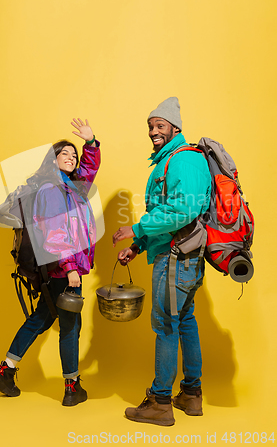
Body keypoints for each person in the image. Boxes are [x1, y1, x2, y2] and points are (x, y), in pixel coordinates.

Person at [0, 118, 100, 407]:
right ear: (53, 160)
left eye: (74, 156)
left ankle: (5, 371)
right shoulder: (52, 190)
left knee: (42, 318)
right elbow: (56, 233)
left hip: (61, 267)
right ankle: (71, 388)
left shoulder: (71, 188)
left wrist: (91, 144)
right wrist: (71, 267)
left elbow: (88, 171)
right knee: (70, 325)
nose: (72, 158)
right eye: (65, 154)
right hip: (63, 267)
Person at [112, 97, 211, 426]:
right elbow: (166, 215)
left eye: (160, 126)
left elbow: (183, 211)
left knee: (166, 326)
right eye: (151, 126)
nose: (154, 131)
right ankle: (192, 395)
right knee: (184, 322)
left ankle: (159, 402)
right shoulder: (168, 161)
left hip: (175, 258)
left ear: (175, 127)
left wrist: (136, 228)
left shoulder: (183, 160)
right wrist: (139, 245)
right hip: (183, 255)